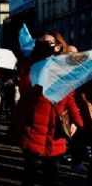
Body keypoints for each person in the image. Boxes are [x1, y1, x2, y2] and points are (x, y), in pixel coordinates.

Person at [12, 32, 84, 185]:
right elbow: (25, 90)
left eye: (48, 43)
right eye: (40, 42)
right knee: (30, 175)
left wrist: (76, 122)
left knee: (51, 176)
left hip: (56, 131)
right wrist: (37, 64)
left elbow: (69, 98)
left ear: (58, 47)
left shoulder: (64, 68)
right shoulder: (29, 65)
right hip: (33, 129)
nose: (43, 45)